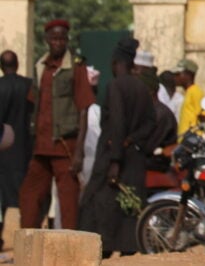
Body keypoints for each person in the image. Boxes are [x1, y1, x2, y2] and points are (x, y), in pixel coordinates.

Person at [79, 37, 155, 257]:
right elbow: (150, 123)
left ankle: (103, 253)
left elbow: (118, 122)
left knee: (100, 207)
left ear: (115, 63)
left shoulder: (115, 86)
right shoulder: (142, 87)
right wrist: (131, 141)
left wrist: (115, 160)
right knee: (128, 212)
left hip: (114, 160)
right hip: (134, 160)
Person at [19, 19, 94, 230]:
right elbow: (33, 105)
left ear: (67, 40)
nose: (58, 43)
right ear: (47, 40)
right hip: (41, 147)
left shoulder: (76, 68)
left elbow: (84, 109)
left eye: (62, 39)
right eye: (54, 39)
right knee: (29, 196)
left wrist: (79, 152)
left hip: (65, 147)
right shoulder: (40, 67)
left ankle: (69, 256)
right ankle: (27, 247)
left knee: (68, 203)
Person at [0, 50, 33, 248]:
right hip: (24, 152)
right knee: (26, 200)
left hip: (2, 154)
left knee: (0, 202)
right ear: (18, 64)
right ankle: (26, 242)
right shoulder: (28, 86)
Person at [141, 70, 177, 173]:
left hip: (156, 167)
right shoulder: (149, 111)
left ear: (150, 91)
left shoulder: (161, 114)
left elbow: (148, 147)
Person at [174, 59, 204, 137]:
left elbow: (202, 116)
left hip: (191, 140)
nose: (175, 77)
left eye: (178, 74)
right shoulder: (188, 92)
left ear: (188, 75)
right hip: (183, 140)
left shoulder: (196, 91)